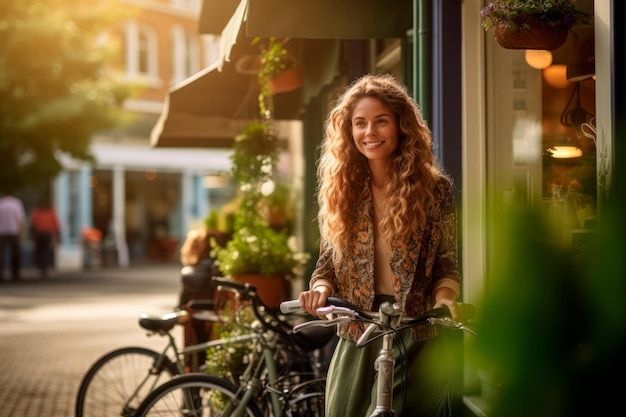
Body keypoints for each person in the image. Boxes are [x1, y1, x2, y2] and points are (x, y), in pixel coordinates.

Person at [297, 74, 461, 417]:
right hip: (359, 329)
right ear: (349, 131)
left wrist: (446, 298)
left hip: (415, 330)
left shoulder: (435, 190)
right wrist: (320, 289)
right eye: (360, 123)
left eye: (380, 121)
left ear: (401, 125)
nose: (369, 132)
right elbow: (328, 262)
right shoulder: (343, 189)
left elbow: (446, 261)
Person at [0, 187, 26, 281]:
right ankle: (15, 274)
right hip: (13, 231)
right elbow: (20, 220)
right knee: (15, 254)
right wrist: (22, 232)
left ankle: (1, 274)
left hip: (1, 232)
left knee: (1, 255)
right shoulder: (16, 203)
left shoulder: (1, 203)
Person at [30, 199, 61, 277]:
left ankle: (41, 266)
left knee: (40, 250)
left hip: (39, 233)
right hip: (47, 233)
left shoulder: (37, 211)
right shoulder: (51, 211)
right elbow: (55, 224)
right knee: (46, 250)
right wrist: (56, 235)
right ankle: (45, 267)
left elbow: (33, 222)